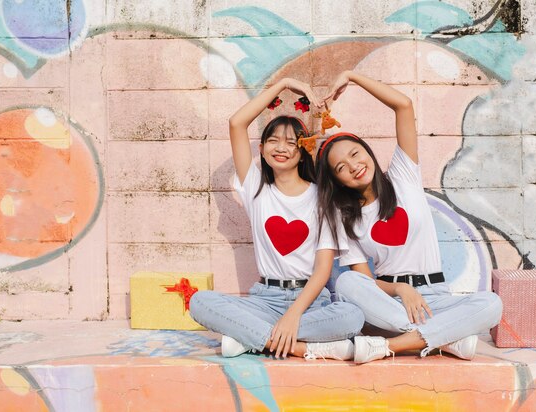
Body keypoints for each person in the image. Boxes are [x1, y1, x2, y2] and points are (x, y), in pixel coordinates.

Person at [316, 70, 503, 363]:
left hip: (436, 297)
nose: (353, 166)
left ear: (367, 152)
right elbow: (364, 282)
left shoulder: (403, 177)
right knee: (346, 283)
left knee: (491, 304)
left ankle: (397, 345)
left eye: (355, 154)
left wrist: (352, 76)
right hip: (390, 303)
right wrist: (400, 289)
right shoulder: (345, 218)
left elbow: (403, 105)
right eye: (340, 167)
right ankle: (444, 339)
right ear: (337, 181)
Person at [189, 77, 364, 360]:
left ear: (303, 150)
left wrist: (293, 316)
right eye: (273, 141)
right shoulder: (255, 189)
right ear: (261, 149)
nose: (281, 148)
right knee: (199, 301)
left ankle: (252, 338)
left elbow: (322, 272)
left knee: (352, 316)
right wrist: (283, 83)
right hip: (265, 300)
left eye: (291, 143)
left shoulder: (322, 198)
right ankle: (301, 348)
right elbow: (237, 123)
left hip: (310, 302)